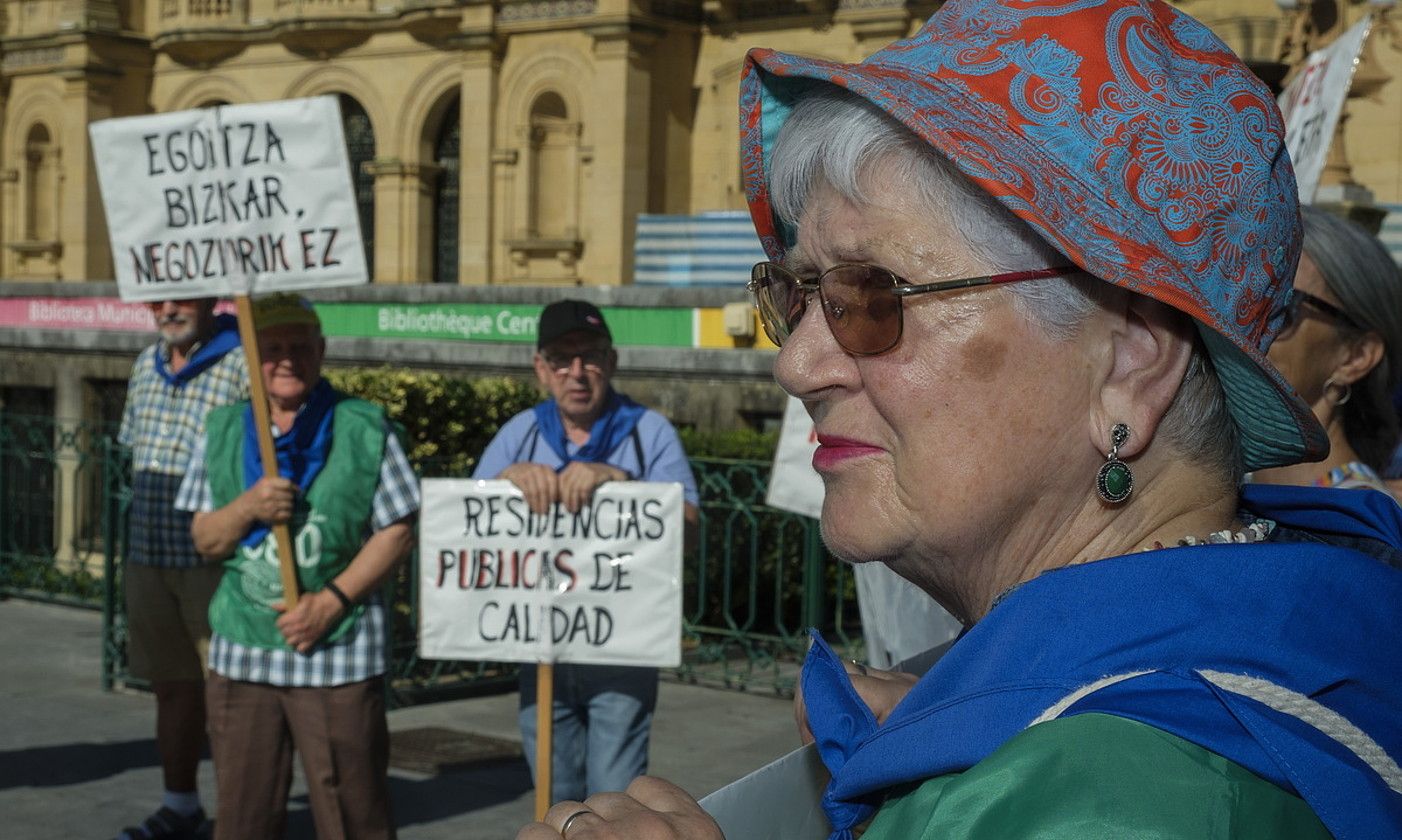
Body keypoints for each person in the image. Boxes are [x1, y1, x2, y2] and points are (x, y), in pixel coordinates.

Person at [517, 0, 1402, 838]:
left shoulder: (1109, 798)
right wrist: (973, 708)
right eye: (794, 295)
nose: (796, 363)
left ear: (1132, 360)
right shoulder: (1289, 630)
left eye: (872, 296)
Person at [175, 293, 419, 840]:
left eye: (299, 346)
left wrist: (331, 602)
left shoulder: (364, 427)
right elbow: (205, 539)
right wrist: (249, 507)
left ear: (321, 351)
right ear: (251, 358)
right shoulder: (222, 429)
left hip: (338, 656)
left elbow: (398, 530)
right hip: (243, 654)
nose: (286, 359)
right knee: (243, 814)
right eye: (272, 348)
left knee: (353, 813)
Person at [473, 299, 700, 805]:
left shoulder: (650, 433)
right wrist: (503, 481)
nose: (576, 372)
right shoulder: (520, 433)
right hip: (541, 651)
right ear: (541, 369)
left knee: (613, 801)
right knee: (552, 798)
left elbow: (689, 527)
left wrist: (622, 484)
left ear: (612, 362)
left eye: (590, 357)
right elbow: (466, 526)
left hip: (622, 651)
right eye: (561, 359)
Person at [116, 297, 247, 840]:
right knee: (172, 688)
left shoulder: (241, 361)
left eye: (181, 295)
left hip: (210, 556)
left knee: (228, 696)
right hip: (148, 552)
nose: (169, 308)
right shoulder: (145, 364)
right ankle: (181, 806)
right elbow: (131, 448)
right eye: (159, 298)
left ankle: (242, 817)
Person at [1251, 206, 1402, 497]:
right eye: (1245, 299)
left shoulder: (1358, 522)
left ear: (1356, 357)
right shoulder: (1230, 489)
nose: (1247, 326)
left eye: (1280, 309)